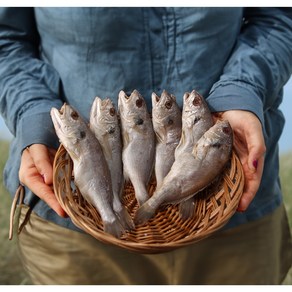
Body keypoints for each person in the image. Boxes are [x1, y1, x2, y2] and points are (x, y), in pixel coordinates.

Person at [0, 7, 292, 285]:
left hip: (236, 211)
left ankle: (152, 197)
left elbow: (279, 19)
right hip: (72, 231)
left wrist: (243, 90)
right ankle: (117, 205)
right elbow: (7, 39)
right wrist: (32, 114)